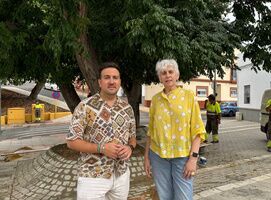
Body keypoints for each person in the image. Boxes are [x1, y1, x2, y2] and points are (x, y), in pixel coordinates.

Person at [66, 62, 136, 200]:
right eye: (107, 77)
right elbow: (71, 142)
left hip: (121, 174)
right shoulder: (85, 107)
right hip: (92, 176)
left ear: (120, 81)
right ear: (99, 82)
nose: (111, 81)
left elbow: (132, 137)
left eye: (115, 78)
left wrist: (130, 148)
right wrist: (101, 148)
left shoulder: (127, 108)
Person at [144, 59, 206, 200]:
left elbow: (198, 130)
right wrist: (147, 157)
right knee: (164, 196)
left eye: (170, 72)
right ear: (160, 77)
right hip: (158, 156)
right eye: (163, 73)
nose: (167, 75)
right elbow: (151, 131)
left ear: (177, 75)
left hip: (182, 157)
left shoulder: (189, 97)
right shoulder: (155, 100)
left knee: (183, 197)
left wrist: (193, 159)